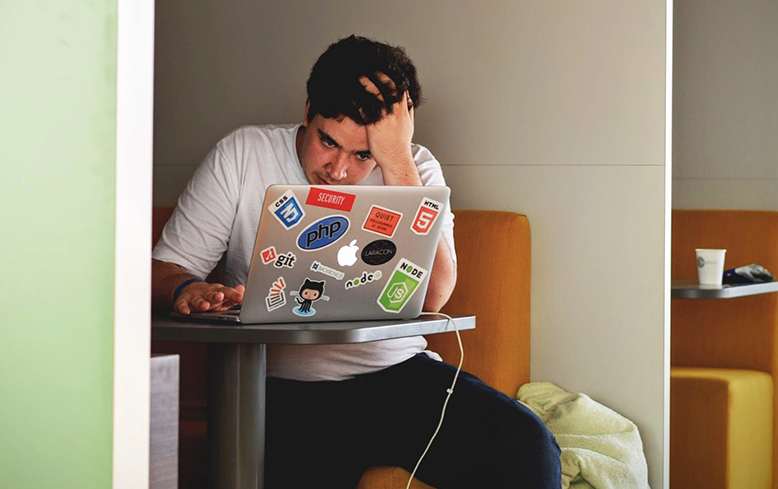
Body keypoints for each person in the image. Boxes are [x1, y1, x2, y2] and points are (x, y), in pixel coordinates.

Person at [150, 35, 561, 488]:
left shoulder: (414, 167)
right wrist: (188, 289)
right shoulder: (243, 154)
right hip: (282, 390)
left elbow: (436, 294)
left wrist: (396, 161)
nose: (339, 170)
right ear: (307, 111)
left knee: (529, 445)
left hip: (398, 376)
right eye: (328, 142)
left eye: (363, 154)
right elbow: (163, 269)